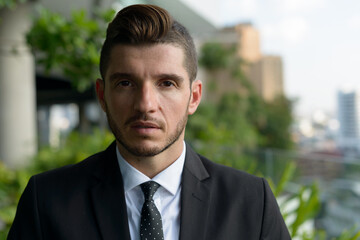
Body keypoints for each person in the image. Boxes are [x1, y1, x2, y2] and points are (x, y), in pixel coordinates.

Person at [8, 4, 291, 240]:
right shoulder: (45, 202)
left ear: (193, 97)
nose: (145, 104)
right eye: (125, 83)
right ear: (102, 95)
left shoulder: (253, 203)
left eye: (166, 83)